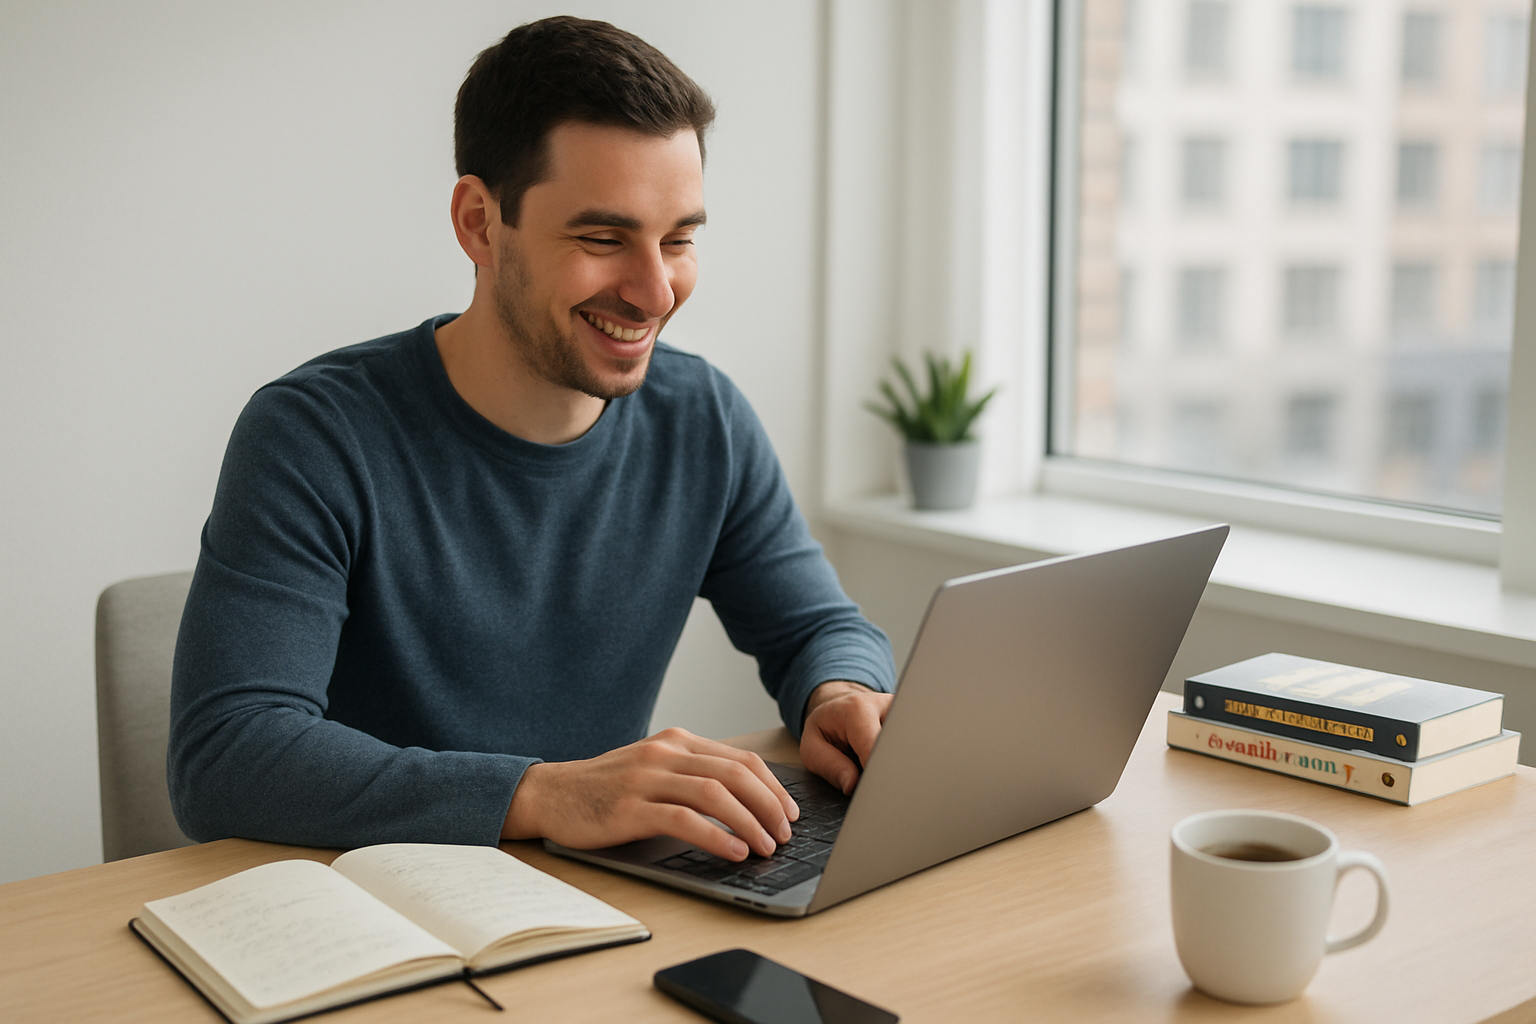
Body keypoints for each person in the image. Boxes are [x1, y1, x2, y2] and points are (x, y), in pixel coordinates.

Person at [168, 16, 896, 864]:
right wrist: (546, 791)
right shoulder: (314, 435)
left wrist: (841, 690)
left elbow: (816, 626)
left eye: (680, 239)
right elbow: (226, 755)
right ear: (480, 223)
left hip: (602, 898)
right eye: (602, 239)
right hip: (378, 914)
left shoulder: (703, 418)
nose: (655, 290)